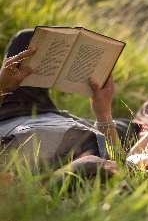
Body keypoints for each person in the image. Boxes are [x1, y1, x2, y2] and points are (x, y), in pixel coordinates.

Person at [0, 29, 136, 173]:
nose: (95, 161)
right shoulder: (95, 148)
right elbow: (120, 163)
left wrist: (2, 87)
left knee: (27, 39)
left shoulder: (17, 160)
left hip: (9, 117)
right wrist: (103, 112)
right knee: (129, 127)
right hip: (55, 119)